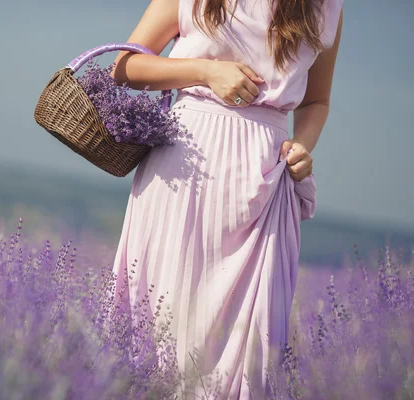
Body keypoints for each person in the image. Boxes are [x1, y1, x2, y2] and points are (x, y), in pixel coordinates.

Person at [109, 0, 343, 398]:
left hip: (265, 176)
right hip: (182, 170)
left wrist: (303, 146)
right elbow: (125, 67)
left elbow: (316, 101)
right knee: (161, 328)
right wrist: (205, 71)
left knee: (251, 352)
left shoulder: (327, 5)